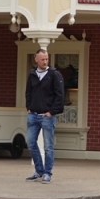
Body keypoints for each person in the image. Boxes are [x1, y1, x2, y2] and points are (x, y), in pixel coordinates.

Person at [25, 49, 65, 183]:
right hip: (33, 115)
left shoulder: (54, 74)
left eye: (46, 59)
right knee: (30, 142)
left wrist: (52, 112)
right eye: (42, 59)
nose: (45, 61)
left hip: (47, 116)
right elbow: (28, 92)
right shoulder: (32, 74)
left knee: (48, 146)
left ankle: (48, 173)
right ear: (36, 59)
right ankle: (39, 171)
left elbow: (60, 95)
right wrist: (28, 107)